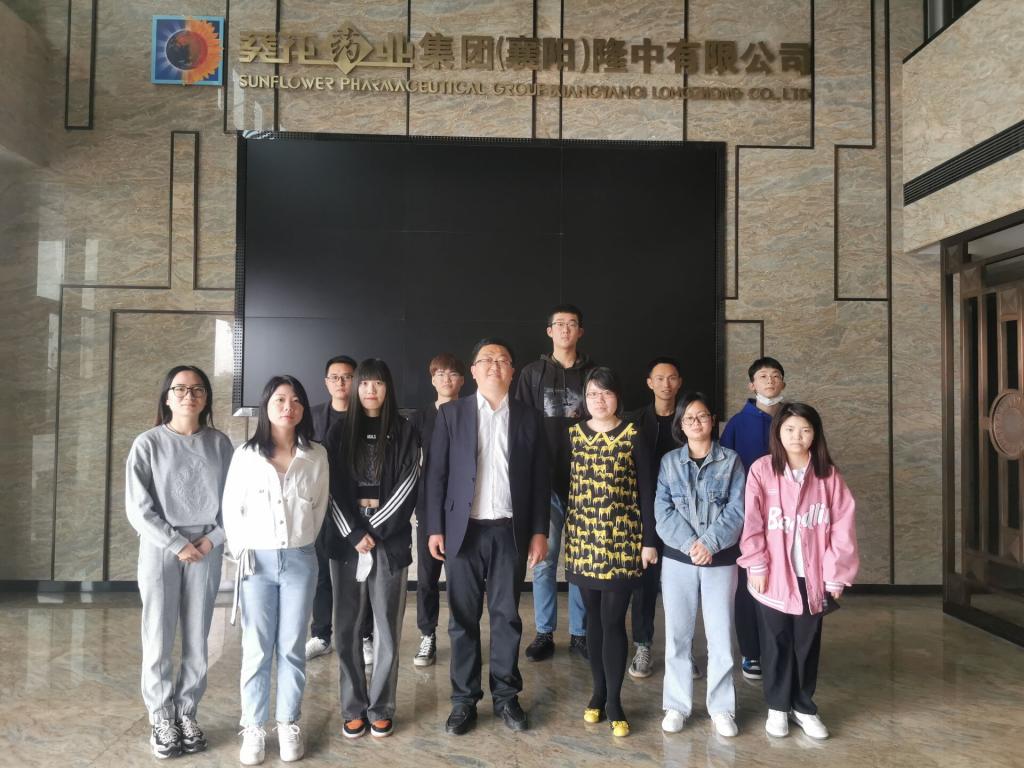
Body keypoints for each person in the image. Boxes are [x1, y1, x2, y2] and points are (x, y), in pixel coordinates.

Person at [425, 338, 550, 736]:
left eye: (503, 360)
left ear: (513, 372)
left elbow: (540, 479)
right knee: (462, 620)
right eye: (486, 359)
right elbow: (436, 475)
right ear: (474, 371)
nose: (495, 365)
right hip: (463, 533)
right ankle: (463, 701)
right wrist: (434, 527)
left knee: (506, 617)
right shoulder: (452, 414)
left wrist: (539, 531)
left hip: (509, 532)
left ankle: (506, 696)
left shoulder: (529, 417)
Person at [125, 365, 234, 759]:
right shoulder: (148, 444)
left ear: (206, 398)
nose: (190, 395)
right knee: (157, 633)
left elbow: (235, 502)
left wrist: (212, 539)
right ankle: (161, 717)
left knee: (197, 635)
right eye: (181, 389)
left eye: (198, 389)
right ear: (167, 397)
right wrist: (175, 542)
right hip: (161, 549)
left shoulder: (221, 445)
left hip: (206, 548)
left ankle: (187, 713)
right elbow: (138, 508)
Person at [222, 375, 329, 765]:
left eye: (296, 400)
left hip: (300, 560)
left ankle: (287, 723)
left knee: (292, 647)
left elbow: (318, 507)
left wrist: (300, 543)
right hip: (257, 562)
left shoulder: (316, 454)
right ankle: (253, 727)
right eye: (280, 399)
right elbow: (231, 508)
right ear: (266, 406)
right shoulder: (246, 455)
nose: (289, 406)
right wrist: (243, 550)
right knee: (256, 648)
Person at [738, 402, 859, 740]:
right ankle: (778, 707)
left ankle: (803, 707)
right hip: (772, 573)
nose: (797, 436)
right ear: (778, 432)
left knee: (806, 643)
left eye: (805, 430)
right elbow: (752, 521)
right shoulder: (762, 470)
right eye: (790, 429)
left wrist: (836, 574)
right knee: (775, 641)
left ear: (815, 434)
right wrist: (756, 563)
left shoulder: (827, 474)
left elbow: (843, 526)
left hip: (813, 574)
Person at [324, 358, 419, 739]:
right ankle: (353, 707)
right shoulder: (337, 432)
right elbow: (328, 488)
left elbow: (409, 483)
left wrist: (374, 530)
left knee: (387, 628)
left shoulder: (405, 431)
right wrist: (353, 533)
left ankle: (380, 707)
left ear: (387, 388)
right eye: (364, 383)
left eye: (377, 383)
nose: (370, 390)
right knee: (346, 628)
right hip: (347, 541)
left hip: (389, 540)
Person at [566, 367, 657, 738]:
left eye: (605, 393)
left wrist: (650, 541)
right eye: (592, 394)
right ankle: (598, 693)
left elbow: (648, 491)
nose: (598, 400)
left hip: (622, 543)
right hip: (583, 542)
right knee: (593, 620)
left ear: (617, 396)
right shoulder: (573, 435)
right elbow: (563, 485)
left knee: (614, 621)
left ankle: (616, 701)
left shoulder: (634, 434)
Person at [655, 392, 746, 738]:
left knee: (720, 636)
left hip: (720, 561)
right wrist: (691, 546)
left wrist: (709, 544)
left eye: (703, 416)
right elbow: (662, 511)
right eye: (689, 418)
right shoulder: (669, 462)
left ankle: (721, 708)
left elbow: (738, 510)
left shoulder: (732, 461)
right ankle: (676, 706)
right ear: (680, 424)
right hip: (678, 560)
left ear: (713, 421)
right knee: (677, 635)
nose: (696, 422)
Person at [515, 303, 595, 661]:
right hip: (544, 483)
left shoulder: (594, 373)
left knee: (580, 562)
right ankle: (544, 632)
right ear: (549, 331)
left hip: (585, 481)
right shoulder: (532, 374)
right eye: (559, 324)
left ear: (580, 331)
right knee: (544, 560)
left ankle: (580, 633)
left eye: (572, 324)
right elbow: (520, 425)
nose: (565, 329)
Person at [720, 356, 787, 681]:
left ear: (783, 383)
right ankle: (751, 651)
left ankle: (781, 648)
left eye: (775, 376)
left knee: (784, 580)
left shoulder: (793, 419)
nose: (770, 381)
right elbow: (723, 471)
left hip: (789, 520)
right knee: (748, 587)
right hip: (748, 519)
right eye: (763, 376)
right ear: (751, 384)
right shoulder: (737, 424)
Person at [625, 356, 684, 680]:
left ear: (679, 382)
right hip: (645, 515)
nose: (666, 384)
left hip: (684, 517)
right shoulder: (633, 421)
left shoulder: (690, 419)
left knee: (682, 588)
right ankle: (643, 645)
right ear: (649, 383)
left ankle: (683, 650)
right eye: (659, 378)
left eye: (671, 378)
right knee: (644, 586)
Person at [408, 352, 466, 666]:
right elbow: (409, 465)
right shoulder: (419, 418)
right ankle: (427, 635)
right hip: (429, 507)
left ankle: (462, 636)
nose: (446, 379)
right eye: (440, 374)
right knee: (427, 577)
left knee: (461, 578)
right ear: (432, 379)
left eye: (452, 373)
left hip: (463, 508)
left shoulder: (471, 413)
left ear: (463, 380)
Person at [306, 355, 365, 663]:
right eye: (335, 377)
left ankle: (365, 636)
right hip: (321, 509)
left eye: (348, 377)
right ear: (326, 382)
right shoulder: (313, 417)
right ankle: (321, 635)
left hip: (358, 512)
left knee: (361, 576)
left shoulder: (368, 414)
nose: (341, 382)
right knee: (321, 575)